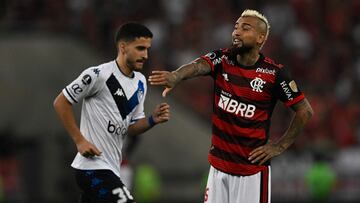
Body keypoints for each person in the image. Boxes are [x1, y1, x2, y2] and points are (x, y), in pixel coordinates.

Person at [149, 9, 313, 203]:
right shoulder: (223, 58)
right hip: (217, 169)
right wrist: (177, 75)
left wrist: (280, 146)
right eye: (236, 27)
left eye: (245, 28)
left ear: (261, 38)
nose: (236, 32)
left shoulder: (274, 74)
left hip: (251, 173)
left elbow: (305, 111)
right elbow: (199, 65)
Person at [53, 22, 170, 203]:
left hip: (113, 168)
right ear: (123, 47)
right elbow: (61, 102)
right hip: (92, 167)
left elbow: (130, 128)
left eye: (147, 49)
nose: (145, 55)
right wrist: (80, 140)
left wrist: (152, 120)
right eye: (140, 48)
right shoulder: (98, 75)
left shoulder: (140, 82)